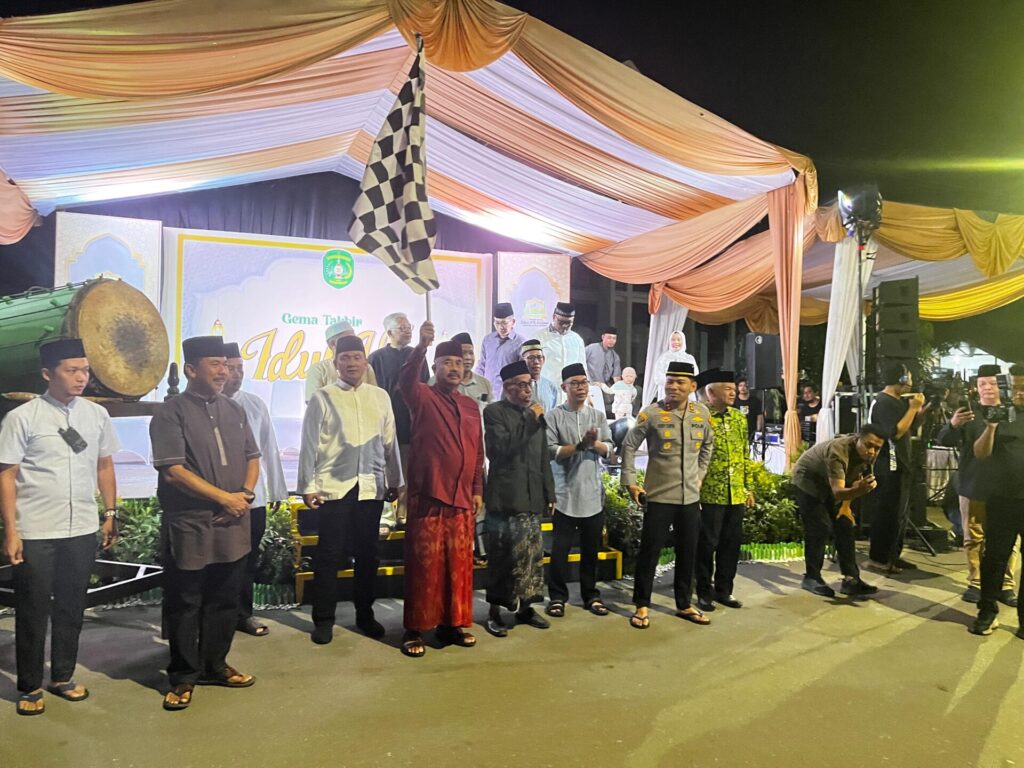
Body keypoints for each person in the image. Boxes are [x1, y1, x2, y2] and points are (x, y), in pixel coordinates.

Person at [0, 339, 120, 716]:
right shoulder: (22, 418)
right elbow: (7, 475)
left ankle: (62, 676)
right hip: (36, 529)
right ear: (47, 374)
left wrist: (110, 512)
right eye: (72, 370)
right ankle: (30, 685)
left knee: (71, 606)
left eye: (85, 370)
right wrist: (11, 531)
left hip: (81, 527)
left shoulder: (96, 415)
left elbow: (104, 465)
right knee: (32, 609)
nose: (81, 377)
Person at [149, 335, 260, 711]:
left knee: (225, 599)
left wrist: (243, 495)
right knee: (186, 601)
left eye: (225, 365)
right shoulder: (171, 412)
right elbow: (173, 471)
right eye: (215, 364)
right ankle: (183, 675)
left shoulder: (234, 409)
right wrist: (223, 499)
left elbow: (253, 456)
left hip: (233, 520)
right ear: (191, 369)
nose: (223, 371)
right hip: (192, 523)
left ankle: (215, 665)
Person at [298, 335, 402, 645]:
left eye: (357, 357)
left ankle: (365, 615)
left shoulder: (380, 396)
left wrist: (395, 480)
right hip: (334, 487)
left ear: (365, 362)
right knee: (329, 554)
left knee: (368, 555)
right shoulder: (323, 397)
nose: (352, 363)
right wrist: (307, 486)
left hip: (370, 487)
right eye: (345, 358)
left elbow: (390, 442)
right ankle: (324, 620)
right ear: (336, 363)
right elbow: (309, 444)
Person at [398, 323, 485, 657]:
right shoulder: (422, 395)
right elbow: (405, 379)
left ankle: (452, 624)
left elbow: (477, 451)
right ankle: (415, 629)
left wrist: (477, 487)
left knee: (458, 567)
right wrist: (421, 346)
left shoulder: (470, 406)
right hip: (429, 497)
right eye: (447, 362)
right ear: (434, 368)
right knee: (425, 566)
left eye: (459, 363)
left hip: (462, 498)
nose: (454, 368)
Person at [622, 361, 714, 629]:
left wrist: (700, 476)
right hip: (659, 497)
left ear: (692, 386)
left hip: (690, 498)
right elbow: (629, 446)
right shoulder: (651, 413)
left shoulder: (701, 413)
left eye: (680, 382)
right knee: (649, 553)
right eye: (670, 381)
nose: (673, 387)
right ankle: (641, 605)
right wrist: (631, 483)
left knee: (688, 552)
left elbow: (708, 445)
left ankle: (684, 604)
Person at [483, 359, 556, 636]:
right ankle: (495, 611)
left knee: (531, 555)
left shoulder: (535, 415)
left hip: (532, 495)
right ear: (508, 387)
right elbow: (501, 450)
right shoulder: (494, 412)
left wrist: (549, 492)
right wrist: (529, 420)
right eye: (522, 386)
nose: (527, 391)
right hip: (505, 498)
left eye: (529, 385)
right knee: (502, 557)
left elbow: (543, 457)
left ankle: (526, 607)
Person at [937, 365, 1018, 605]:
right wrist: (952, 424)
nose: (987, 388)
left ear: (1002, 385)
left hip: (1008, 488)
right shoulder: (969, 414)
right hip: (973, 484)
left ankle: (1006, 584)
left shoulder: (1013, 412)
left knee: (1009, 540)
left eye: (992, 383)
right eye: (982, 384)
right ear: (976, 387)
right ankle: (976, 581)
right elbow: (944, 440)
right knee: (973, 537)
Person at [223, 343, 290, 637]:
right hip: (220, 498)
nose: (236, 374)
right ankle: (217, 615)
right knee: (221, 559)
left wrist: (276, 490)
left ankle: (243, 614)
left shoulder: (254, 404)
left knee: (248, 559)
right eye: (230, 368)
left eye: (240, 368)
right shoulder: (205, 406)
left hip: (254, 498)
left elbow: (269, 448)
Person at [544, 363, 612, 618]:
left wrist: (594, 444)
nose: (581, 387)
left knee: (590, 550)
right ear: (564, 387)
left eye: (584, 382)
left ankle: (591, 595)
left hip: (592, 493)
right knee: (560, 551)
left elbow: (610, 449)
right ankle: (557, 597)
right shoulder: (553, 416)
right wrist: (579, 446)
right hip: (564, 494)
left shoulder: (598, 416)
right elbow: (551, 451)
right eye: (575, 383)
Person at [790, 426, 885, 598]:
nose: (872, 451)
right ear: (857, 439)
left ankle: (851, 580)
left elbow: (854, 481)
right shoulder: (839, 451)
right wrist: (858, 491)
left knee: (845, 525)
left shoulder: (867, 456)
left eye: (877, 448)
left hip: (833, 484)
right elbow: (838, 492)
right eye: (868, 445)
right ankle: (811, 577)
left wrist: (845, 507)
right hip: (809, 479)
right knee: (819, 527)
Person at [970, 364, 1024, 637]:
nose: (1019, 393)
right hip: (1003, 499)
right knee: (994, 559)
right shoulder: (999, 415)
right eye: (1015, 388)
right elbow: (980, 453)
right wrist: (991, 427)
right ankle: (987, 611)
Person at [695, 370, 755, 612]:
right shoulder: (699, 417)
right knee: (706, 544)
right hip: (709, 492)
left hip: (735, 492)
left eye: (733, 389)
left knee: (731, 544)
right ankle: (703, 591)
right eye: (728, 389)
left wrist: (747, 487)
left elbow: (744, 453)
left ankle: (724, 590)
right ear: (711, 392)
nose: (733, 393)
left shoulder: (738, 417)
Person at [866, 362, 925, 572]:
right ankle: (879, 558)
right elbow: (895, 432)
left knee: (899, 513)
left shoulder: (898, 402)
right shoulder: (884, 402)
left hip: (901, 463)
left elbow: (910, 425)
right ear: (900, 380)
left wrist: (923, 411)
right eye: (909, 378)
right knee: (887, 512)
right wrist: (914, 408)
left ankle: (893, 554)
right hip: (889, 464)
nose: (911, 383)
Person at [369, 312, 424, 529]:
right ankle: (385, 514)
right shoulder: (376, 358)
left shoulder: (417, 356)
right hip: (384, 422)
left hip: (410, 422)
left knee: (408, 469)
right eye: (403, 328)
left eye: (409, 327)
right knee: (385, 470)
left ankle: (404, 510)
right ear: (389, 333)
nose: (408, 331)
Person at [304, 321, 377, 403]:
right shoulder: (318, 369)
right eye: (348, 339)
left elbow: (374, 397)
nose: (353, 341)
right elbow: (312, 402)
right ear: (332, 344)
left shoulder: (366, 367)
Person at [430, 332, 492, 412]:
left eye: (471, 353)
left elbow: (490, 412)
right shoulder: (435, 382)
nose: (468, 357)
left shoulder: (484, 383)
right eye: (463, 353)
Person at [538, 302, 586, 403]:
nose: (565, 326)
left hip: (570, 393)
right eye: (561, 322)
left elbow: (583, 367)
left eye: (569, 323)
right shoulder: (540, 337)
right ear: (554, 317)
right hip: (546, 391)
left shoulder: (577, 339)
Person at [476, 302, 524, 395]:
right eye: (497, 323)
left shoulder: (520, 343)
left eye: (504, 323)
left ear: (513, 322)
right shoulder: (488, 340)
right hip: (486, 393)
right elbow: (482, 365)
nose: (501, 327)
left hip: (507, 395)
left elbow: (522, 374)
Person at [652, 330, 698, 401]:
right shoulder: (663, 358)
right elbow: (657, 377)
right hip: (668, 393)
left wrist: (683, 383)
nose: (676, 342)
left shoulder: (689, 358)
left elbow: (695, 375)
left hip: (686, 392)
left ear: (683, 341)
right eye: (673, 340)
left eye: (678, 339)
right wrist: (672, 383)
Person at [585, 326, 622, 415]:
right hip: (589, 385)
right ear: (603, 337)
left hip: (603, 388)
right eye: (609, 337)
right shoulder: (591, 348)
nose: (611, 340)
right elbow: (580, 362)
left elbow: (616, 377)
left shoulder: (615, 356)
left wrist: (621, 391)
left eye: (614, 338)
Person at [521, 338, 560, 410]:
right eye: (531, 358)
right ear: (523, 361)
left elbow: (553, 413)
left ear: (544, 359)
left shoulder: (551, 387)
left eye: (539, 357)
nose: (536, 362)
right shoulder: (514, 387)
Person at [735, 377, 764, 443]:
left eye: (745, 385)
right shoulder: (734, 401)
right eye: (740, 385)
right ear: (737, 387)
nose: (742, 388)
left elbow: (759, 416)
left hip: (751, 432)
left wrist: (758, 430)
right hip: (737, 432)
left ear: (748, 387)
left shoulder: (756, 401)